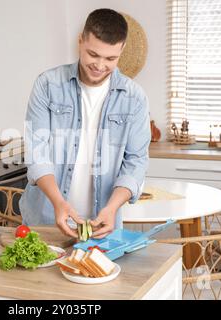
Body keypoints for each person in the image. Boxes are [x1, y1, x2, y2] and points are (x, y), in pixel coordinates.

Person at [19, 8, 151, 239]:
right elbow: (37, 153)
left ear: (121, 51)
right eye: (93, 54)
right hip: (47, 218)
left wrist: (112, 209)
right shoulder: (47, 85)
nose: (100, 65)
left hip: (104, 224)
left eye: (110, 58)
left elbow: (136, 161)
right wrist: (59, 203)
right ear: (80, 41)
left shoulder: (135, 97)